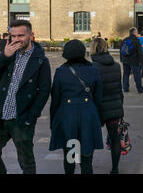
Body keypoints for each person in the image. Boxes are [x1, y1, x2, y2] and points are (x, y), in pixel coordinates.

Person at [0, 20, 51, 174]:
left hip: (21, 119)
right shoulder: (7, 54)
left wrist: (31, 116)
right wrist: (4, 56)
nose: (16, 39)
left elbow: (44, 91)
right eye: (13, 35)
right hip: (1, 115)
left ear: (30, 35)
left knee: (26, 161)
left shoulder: (41, 60)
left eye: (21, 35)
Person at [49, 39, 103, 174]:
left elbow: (55, 99)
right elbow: (98, 97)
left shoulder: (61, 71)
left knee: (70, 155)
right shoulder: (93, 70)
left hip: (68, 115)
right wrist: (98, 118)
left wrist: (53, 121)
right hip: (88, 114)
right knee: (86, 156)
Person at [90, 38, 124, 174]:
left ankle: (88, 166)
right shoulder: (116, 66)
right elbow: (118, 87)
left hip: (96, 108)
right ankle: (115, 168)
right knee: (114, 137)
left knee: (90, 137)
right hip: (114, 105)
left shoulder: (92, 67)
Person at [120, 28, 143, 93]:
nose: (137, 33)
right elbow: (139, 52)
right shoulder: (136, 40)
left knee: (126, 74)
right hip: (134, 61)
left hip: (125, 60)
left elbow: (121, 50)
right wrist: (142, 62)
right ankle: (140, 89)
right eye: (137, 32)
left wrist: (122, 59)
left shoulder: (125, 40)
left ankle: (125, 88)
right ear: (134, 33)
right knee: (137, 75)